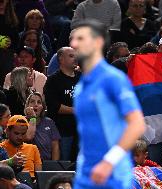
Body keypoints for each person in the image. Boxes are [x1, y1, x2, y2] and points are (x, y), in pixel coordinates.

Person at [70, 19, 146, 189]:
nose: (73, 43)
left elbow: (137, 124)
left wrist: (109, 162)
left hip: (112, 174)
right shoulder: (82, 85)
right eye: (73, 38)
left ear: (97, 42)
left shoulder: (113, 79)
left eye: (80, 38)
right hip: (86, 173)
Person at [44, 47, 80, 161]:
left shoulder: (82, 78)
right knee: (65, 162)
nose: (75, 59)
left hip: (82, 129)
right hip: (63, 130)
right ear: (61, 59)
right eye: (71, 56)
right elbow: (54, 106)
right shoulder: (53, 80)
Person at [24, 92, 61, 160]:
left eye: (39, 102)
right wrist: (33, 118)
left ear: (43, 107)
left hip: (46, 163)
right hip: (28, 163)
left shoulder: (49, 122)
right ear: (27, 106)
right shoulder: (22, 121)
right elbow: (28, 137)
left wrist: (54, 166)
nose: (36, 104)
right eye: (32, 102)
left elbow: (55, 146)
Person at [0, 0, 19, 86]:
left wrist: (10, 43)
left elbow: (16, 41)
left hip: (7, 54)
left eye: (3, 2)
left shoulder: (12, 19)